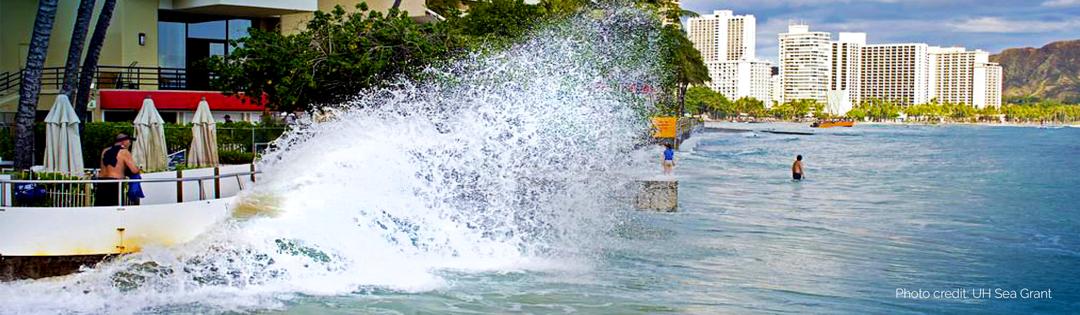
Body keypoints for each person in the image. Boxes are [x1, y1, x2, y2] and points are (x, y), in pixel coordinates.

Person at [96, 133, 141, 206]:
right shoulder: (124, 152)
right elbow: (134, 170)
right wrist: (139, 168)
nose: (130, 143)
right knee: (115, 209)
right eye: (129, 141)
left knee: (101, 208)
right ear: (124, 141)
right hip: (115, 183)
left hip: (102, 182)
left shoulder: (104, 151)